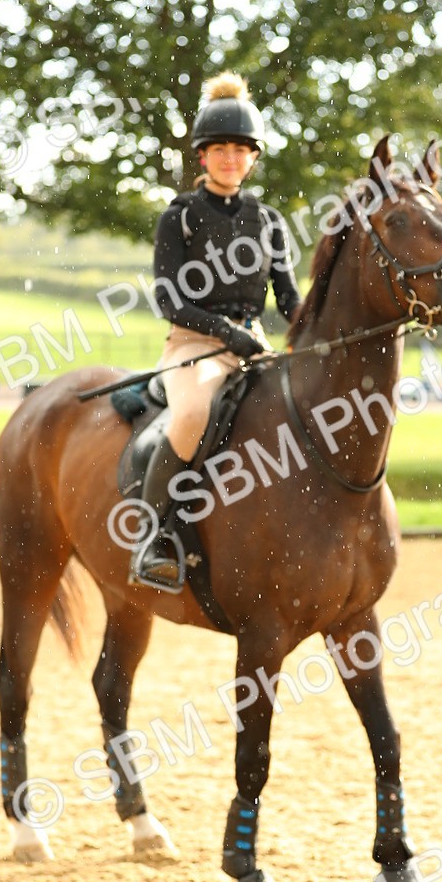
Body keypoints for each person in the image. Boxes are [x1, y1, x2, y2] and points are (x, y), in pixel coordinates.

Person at [129, 72, 301, 590]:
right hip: (194, 345)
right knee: (193, 415)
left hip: (256, 346)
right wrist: (226, 332)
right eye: (220, 149)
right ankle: (155, 539)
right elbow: (169, 299)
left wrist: (321, 327)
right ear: (203, 156)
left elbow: (290, 299)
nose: (231, 158)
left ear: (253, 157)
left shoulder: (269, 221)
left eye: (241, 150)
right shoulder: (179, 216)